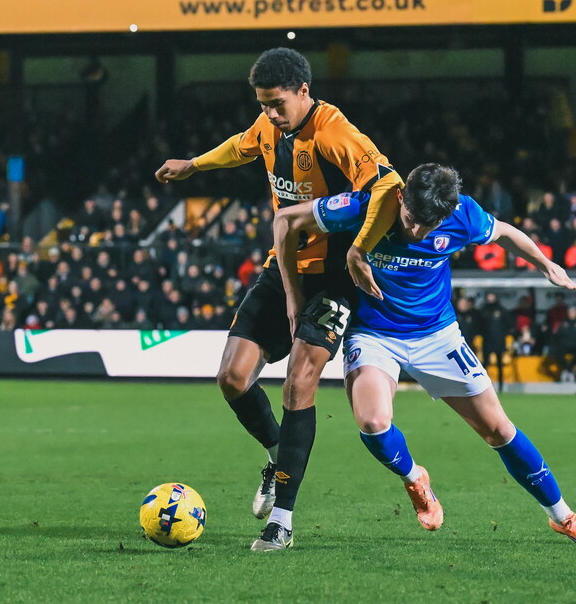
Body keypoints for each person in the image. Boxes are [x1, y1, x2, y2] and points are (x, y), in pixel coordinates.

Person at [273, 164, 576, 547]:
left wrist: (546, 264)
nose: (417, 232)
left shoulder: (462, 213)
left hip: (437, 336)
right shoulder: (364, 206)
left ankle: (563, 516)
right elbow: (286, 218)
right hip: (374, 334)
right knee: (372, 422)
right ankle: (414, 477)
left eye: (429, 225)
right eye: (412, 220)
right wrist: (292, 293)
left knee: (499, 429)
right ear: (400, 198)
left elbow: (504, 233)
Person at [154, 48, 402, 551]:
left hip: (333, 280)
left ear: (304, 92)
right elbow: (240, 147)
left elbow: (388, 186)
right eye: (263, 104)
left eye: (277, 103)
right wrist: (194, 166)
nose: (269, 113)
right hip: (284, 268)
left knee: (297, 384)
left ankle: (282, 522)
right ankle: (276, 456)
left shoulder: (335, 133)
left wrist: (359, 250)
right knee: (231, 377)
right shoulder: (269, 127)